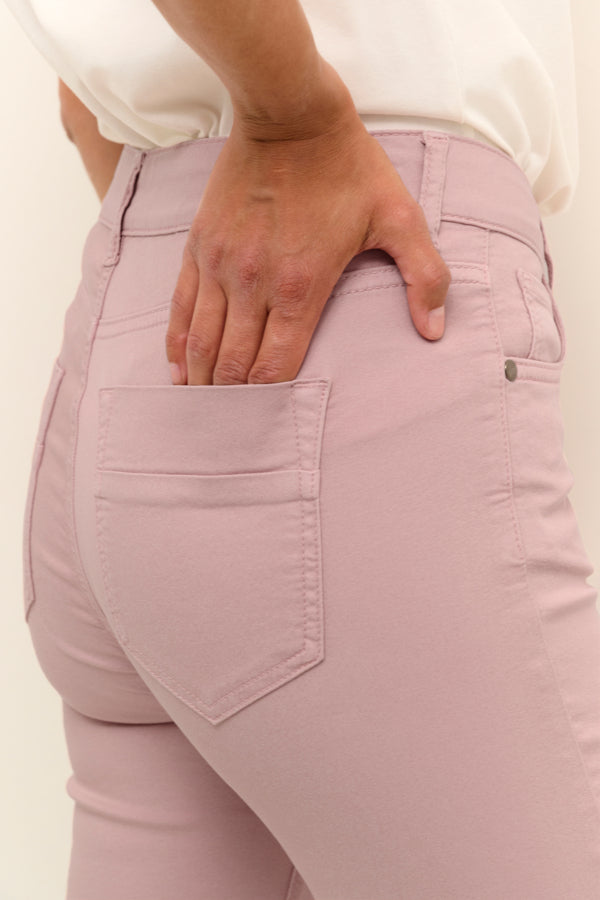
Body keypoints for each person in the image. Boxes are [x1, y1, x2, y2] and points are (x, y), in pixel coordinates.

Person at [7, 0, 600, 897]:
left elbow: (81, 106)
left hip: (148, 322)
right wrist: (293, 123)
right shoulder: (299, 134)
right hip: (348, 295)